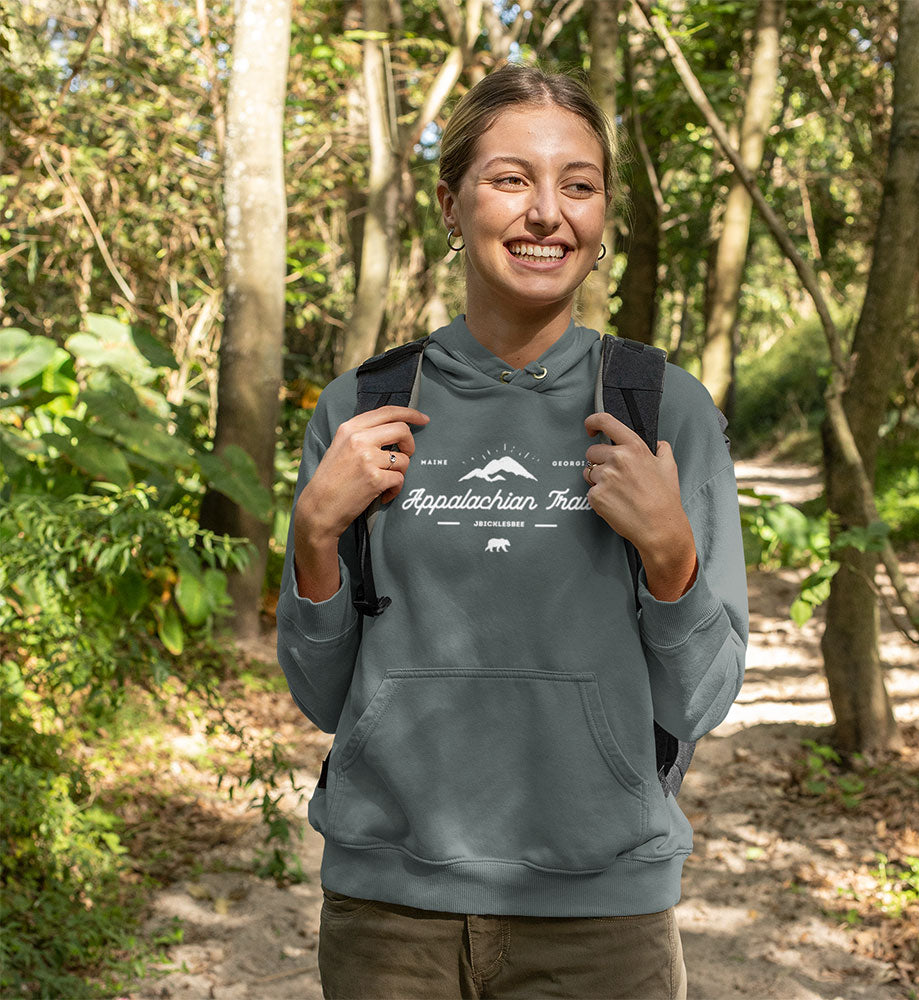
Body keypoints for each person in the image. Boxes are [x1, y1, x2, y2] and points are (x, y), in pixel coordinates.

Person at [276, 63, 748, 1000]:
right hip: (388, 912)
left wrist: (670, 557)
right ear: (451, 204)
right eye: (510, 179)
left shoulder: (662, 409)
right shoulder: (365, 409)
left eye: (578, 185)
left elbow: (702, 703)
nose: (547, 213)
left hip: (602, 919)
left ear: (603, 219)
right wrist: (314, 542)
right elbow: (325, 697)